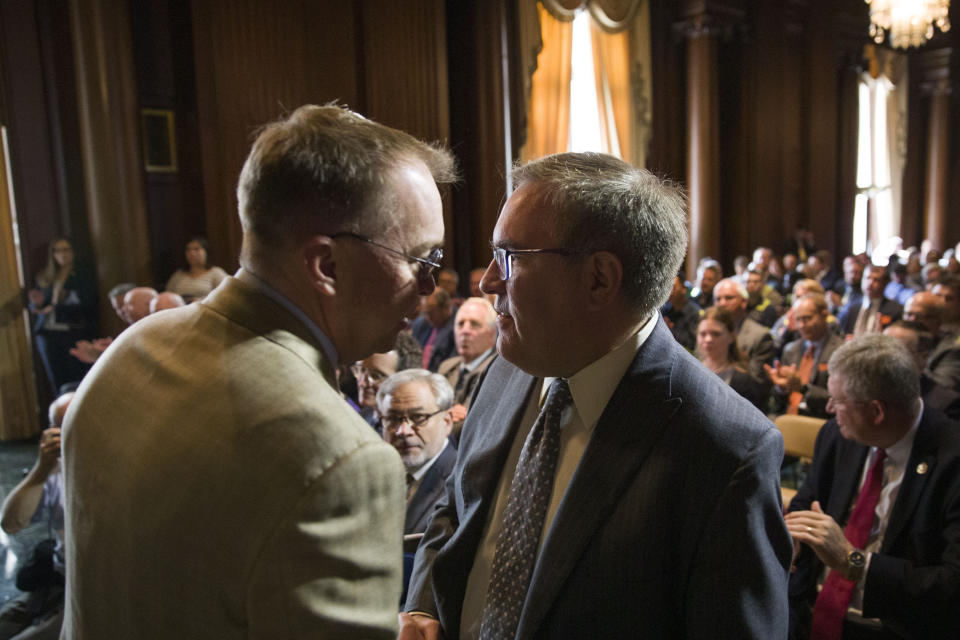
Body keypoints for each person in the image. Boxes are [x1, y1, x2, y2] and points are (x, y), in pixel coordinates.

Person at [60, 104, 456, 638]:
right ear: (327, 266)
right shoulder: (342, 460)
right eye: (422, 259)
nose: (431, 286)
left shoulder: (132, 349)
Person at [402, 152, 790, 639]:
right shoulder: (508, 367)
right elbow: (456, 507)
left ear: (599, 277)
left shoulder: (726, 448)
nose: (488, 282)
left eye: (510, 257)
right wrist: (423, 606)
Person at [785, 334, 960, 639]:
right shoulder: (837, 435)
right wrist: (791, 542)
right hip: (808, 609)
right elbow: (807, 502)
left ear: (877, 412)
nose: (828, 408)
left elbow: (951, 584)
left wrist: (854, 562)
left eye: (837, 401)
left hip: (893, 625)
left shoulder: (951, 460)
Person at [0, 392, 73, 640]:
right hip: (56, 579)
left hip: (85, 590)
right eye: (58, 426)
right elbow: (11, 524)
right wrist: (40, 471)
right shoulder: (54, 471)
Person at [376, 370, 457, 537]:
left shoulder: (460, 482)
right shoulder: (374, 473)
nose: (403, 431)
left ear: (447, 421)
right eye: (392, 418)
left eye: (418, 417)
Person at [27, 238, 98, 392]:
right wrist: (37, 305)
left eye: (66, 250)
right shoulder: (46, 276)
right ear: (52, 255)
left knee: (76, 380)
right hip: (48, 334)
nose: (62, 254)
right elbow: (38, 302)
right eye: (58, 251)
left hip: (71, 331)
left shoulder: (81, 274)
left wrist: (57, 308)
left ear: (73, 252)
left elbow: (87, 302)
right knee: (56, 380)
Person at [765, 293, 844, 418]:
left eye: (807, 318)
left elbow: (840, 399)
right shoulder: (791, 349)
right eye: (798, 319)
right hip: (787, 418)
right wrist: (782, 387)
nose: (801, 325)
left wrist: (803, 388)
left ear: (824, 315)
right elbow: (776, 402)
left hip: (819, 420)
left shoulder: (841, 351)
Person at [437, 297, 498, 440]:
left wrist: (436, 416)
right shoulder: (447, 366)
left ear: (492, 333)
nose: (465, 331)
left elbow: (469, 424)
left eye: (475, 324)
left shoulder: (496, 372)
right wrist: (446, 415)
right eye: (460, 324)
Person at [884, 320, 960, 420]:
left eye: (896, 351)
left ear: (923, 358)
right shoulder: (866, 391)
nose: (883, 357)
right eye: (880, 348)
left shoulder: (946, 403)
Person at [695, 307, 766, 409]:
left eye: (716, 334)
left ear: (731, 337)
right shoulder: (690, 370)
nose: (708, 339)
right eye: (703, 334)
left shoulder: (744, 380)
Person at [713, 276, 776, 387]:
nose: (722, 303)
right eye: (718, 299)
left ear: (743, 302)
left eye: (728, 298)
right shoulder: (707, 333)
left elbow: (757, 382)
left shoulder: (760, 336)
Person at [837, 265, 902, 337]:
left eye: (876, 280)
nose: (870, 283)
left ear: (885, 284)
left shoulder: (895, 310)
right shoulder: (851, 306)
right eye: (867, 278)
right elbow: (840, 333)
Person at [163, 236, 228, 302]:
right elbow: (167, 296)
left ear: (206, 252)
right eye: (188, 250)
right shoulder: (178, 275)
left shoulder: (216, 273)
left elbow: (224, 296)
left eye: (196, 249)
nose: (192, 253)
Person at [411, 288, 457, 371]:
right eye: (425, 313)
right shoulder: (421, 323)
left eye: (430, 313)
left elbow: (451, 365)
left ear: (446, 309)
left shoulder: (457, 328)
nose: (427, 318)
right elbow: (412, 352)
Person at [661, 273, 701, 351]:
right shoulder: (665, 311)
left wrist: (669, 331)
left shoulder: (695, 313)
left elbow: (694, 344)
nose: (670, 292)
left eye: (673, 288)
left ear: (684, 289)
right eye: (667, 288)